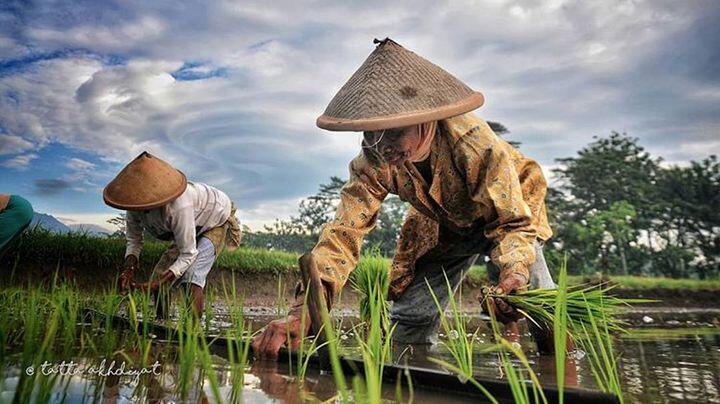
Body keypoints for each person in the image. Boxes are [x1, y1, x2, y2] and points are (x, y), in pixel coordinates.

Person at [253, 38, 555, 358]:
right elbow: (344, 232)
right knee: (411, 317)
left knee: (541, 305)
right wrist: (304, 310)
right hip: (446, 222)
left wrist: (515, 273)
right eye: (372, 133)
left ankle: (559, 374)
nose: (382, 146)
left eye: (394, 132)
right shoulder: (375, 159)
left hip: (511, 211)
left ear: (424, 120)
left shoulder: (475, 146)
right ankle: (412, 371)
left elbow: (511, 222)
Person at [104, 151, 241, 318]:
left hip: (216, 220)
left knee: (191, 277)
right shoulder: (134, 208)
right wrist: (128, 270)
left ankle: (193, 331)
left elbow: (188, 254)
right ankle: (162, 322)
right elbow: (134, 240)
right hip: (192, 224)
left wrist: (161, 282)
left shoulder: (178, 207)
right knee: (159, 276)